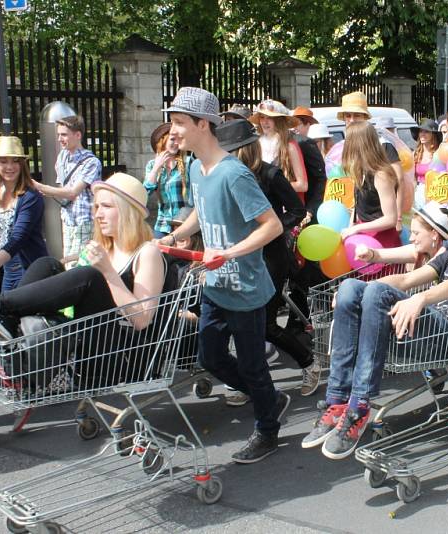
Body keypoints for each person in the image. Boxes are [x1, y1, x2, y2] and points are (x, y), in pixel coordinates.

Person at [301, 192, 448, 459]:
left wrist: (420, 299)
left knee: (377, 293)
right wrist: (356, 291)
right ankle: (338, 402)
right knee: (353, 287)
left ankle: (360, 406)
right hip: (430, 331)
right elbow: (407, 280)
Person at [160, 87, 289, 464]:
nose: (173, 130)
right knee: (212, 357)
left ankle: (267, 430)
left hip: (245, 287)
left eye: (180, 122)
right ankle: (268, 397)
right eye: (173, 122)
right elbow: (201, 213)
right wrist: (174, 236)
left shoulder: (234, 174)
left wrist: (229, 253)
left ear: (204, 125)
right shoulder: (197, 169)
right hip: (214, 285)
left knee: (252, 364)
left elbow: (272, 226)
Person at [0, 173, 165, 341]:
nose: (98, 214)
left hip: (122, 352)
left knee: (89, 277)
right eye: (96, 206)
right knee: (48, 265)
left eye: (106, 206)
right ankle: (7, 320)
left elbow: (142, 320)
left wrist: (108, 273)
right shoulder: (103, 248)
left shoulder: (147, 253)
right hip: (86, 337)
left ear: (128, 212)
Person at [217, 118, 320, 397]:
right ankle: (247, 381)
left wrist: (273, 226)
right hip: (240, 256)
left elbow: (297, 211)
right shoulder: (225, 176)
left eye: (229, 150)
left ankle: (309, 363)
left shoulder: (270, 175)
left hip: (271, 257)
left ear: (243, 150)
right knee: (239, 321)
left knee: (266, 324)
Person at [33, 115, 102, 263]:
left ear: (78, 135)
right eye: (58, 134)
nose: (59, 139)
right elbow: (63, 188)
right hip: (67, 218)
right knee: (69, 263)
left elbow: (72, 193)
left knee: (78, 265)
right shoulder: (62, 157)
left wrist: (40, 187)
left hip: (84, 220)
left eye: (64, 134)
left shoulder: (91, 162)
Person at [337, 92, 411, 227]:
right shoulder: (351, 144)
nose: (352, 120)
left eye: (357, 115)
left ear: (365, 117)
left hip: (382, 220)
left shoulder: (383, 144)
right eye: (348, 115)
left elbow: (398, 180)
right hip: (365, 219)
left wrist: (398, 217)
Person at [0, 136, 48, 290]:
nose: (10, 167)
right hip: (6, 269)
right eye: (3, 161)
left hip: (29, 269)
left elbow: (18, 238)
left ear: (22, 164)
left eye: (15, 161)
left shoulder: (31, 196)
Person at [340, 122, 401, 248]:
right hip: (364, 240)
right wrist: (351, 228)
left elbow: (390, 219)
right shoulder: (360, 170)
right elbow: (358, 207)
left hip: (382, 243)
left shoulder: (381, 174)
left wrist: (357, 228)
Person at [353, 201, 448, 269]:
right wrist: (369, 253)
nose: (411, 238)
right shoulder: (418, 252)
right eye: (411, 232)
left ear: (434, 234)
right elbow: (379, 255)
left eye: (416, 233)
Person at [143, 122, 191, 238]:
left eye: (177, 140)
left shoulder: (188, 163)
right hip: (162, 225)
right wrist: (156, 169)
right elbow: (145, 192)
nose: (176, 143)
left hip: (185, 223)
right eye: (172, 140)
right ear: (162, 141)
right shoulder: (152, 165)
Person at [251, 99, 308, 196]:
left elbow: (302, 185)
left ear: (279, 120)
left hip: (285, 206)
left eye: (270, 117)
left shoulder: (290, 146)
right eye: (262, 117)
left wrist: (274, 186)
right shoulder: (256, 144)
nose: (265, 122)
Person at [411, 119, 441, 209]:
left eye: (426, 132)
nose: (422, 134)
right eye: (421, 131)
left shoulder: (439, 154)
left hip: (435, 193)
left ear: (433, 135)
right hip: (418, 192)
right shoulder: (415, 154)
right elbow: (412, 179)